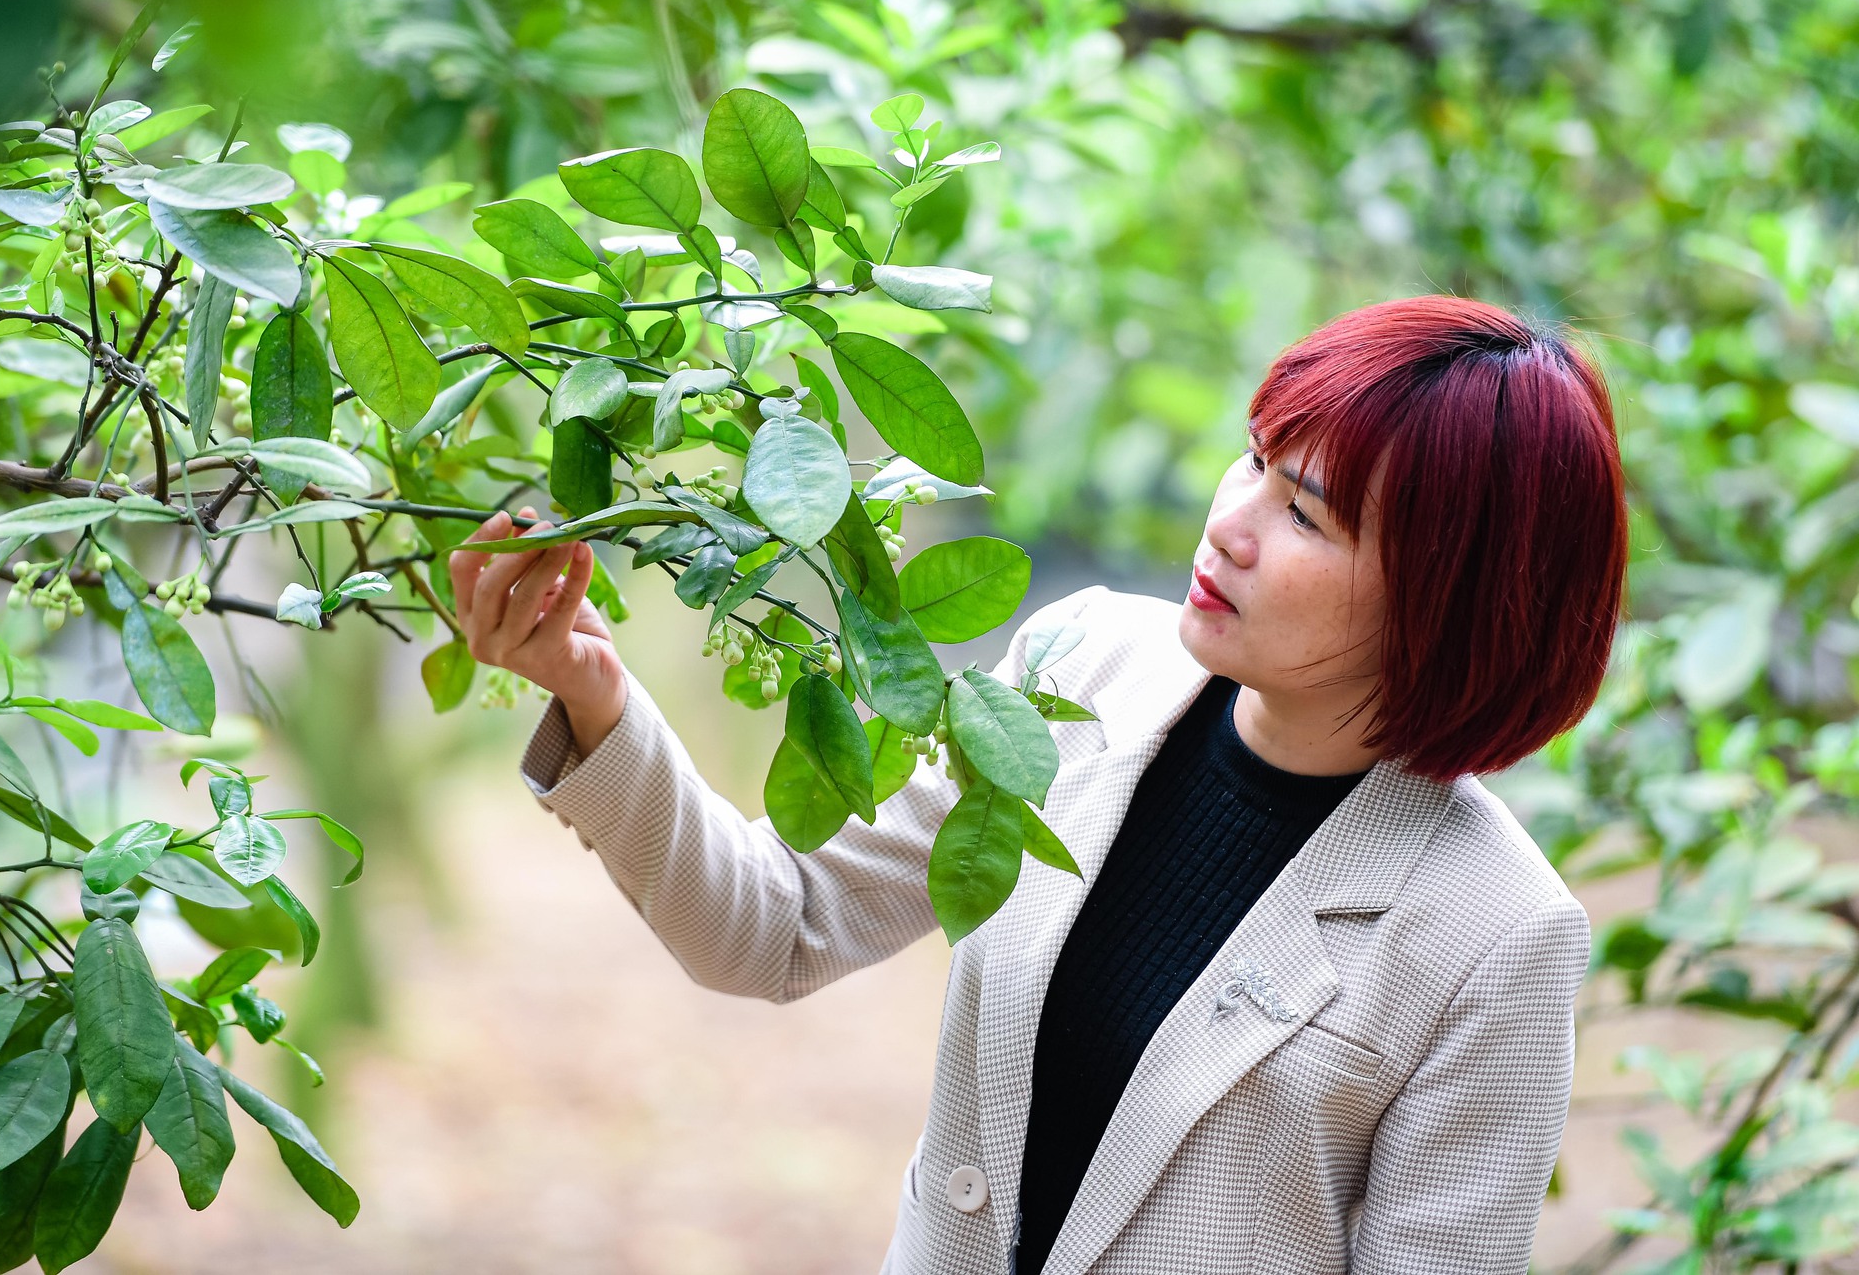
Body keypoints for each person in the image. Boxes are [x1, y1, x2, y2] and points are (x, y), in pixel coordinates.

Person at [448, 295, 1628, 1274]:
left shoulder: (1491, 932)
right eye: (1255, 459)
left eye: (1305, 514)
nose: (1229, 524)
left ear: (1446, 592)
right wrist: (591, 691)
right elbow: (778, 925)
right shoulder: (1082, 671)